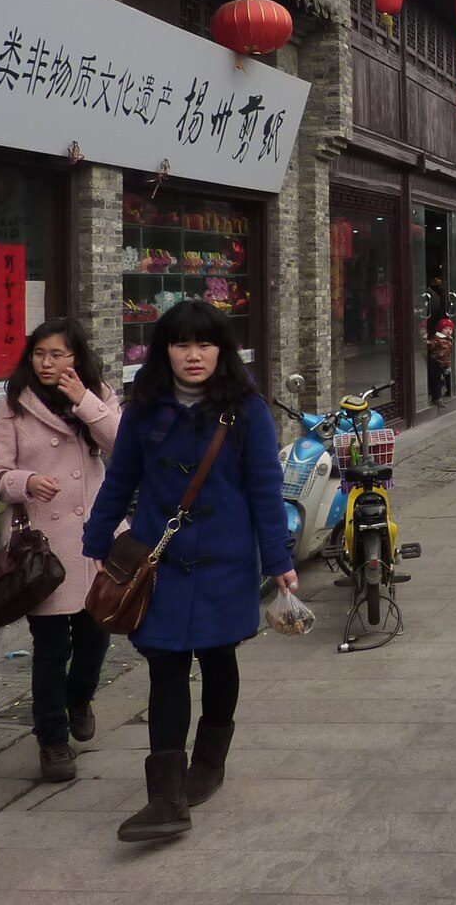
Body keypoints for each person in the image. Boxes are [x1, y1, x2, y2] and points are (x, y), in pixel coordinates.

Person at [83, 300, 296, 843]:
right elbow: (119, 478)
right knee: (166, 667)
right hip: (162, 562)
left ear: (222, 350)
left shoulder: (245, 408)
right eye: (181, 344)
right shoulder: (145, 407)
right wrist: (96, 539)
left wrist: (279, 561)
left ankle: (209, 763)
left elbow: (266, 490)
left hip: (225, 561)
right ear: (165, 351)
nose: (193, 355)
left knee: (219, 658)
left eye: (205, 344)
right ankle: (165, 798)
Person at [0, 318, 120, 783]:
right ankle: (53, 741)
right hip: (42, 546)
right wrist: (25, 482)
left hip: (95, 539)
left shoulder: (98, 392)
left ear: (75, 357)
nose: (47, 363)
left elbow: (123, 445)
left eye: (58, 354)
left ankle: (80, 697)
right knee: (50, 647)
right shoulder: (13, 403)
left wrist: (84, 401)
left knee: (96, 635)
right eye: (40, 353)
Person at [427, 316, 455, 403]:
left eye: (450, 329)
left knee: (448, 378)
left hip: (445, 362)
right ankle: (437, 397)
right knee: (436, 380)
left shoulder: (449, 339)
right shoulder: (437, 338)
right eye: (446, 328)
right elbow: (430, 345)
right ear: (440, 329)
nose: (448, 331)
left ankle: (449, 391)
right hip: (437, 362)